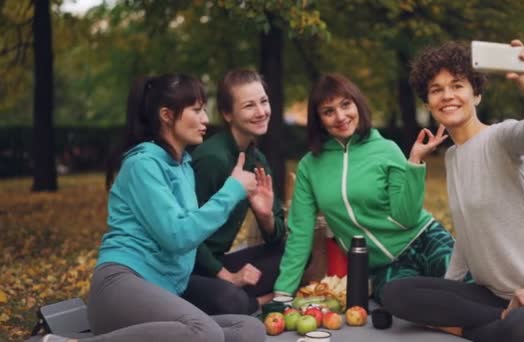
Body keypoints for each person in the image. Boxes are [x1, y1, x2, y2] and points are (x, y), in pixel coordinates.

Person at [381, 40, 524, 342]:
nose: (447, 95)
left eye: (457, 85)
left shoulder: (501, 138)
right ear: (428, 104)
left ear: (476, 94)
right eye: (436, 89)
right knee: (394, 292)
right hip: (491, 296)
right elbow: (466, 232)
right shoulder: (452, 157)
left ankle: (469, 329)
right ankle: (498, 319)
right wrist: (448, 290)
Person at [43, 74, 265, 342]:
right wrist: (232, 190)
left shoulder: (182, 166)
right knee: (204, 333)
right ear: (166, 115)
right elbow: (178, 235)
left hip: (165, 289)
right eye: (197, 110)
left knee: (250, 329)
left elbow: (191, 229)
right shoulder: (142, 165)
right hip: (120, 287)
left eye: (205, 109)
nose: (206, 119)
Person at [273, 73, 456, 303]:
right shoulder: (309, 167)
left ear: (357, 104)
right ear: (319, 119)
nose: (340, 116)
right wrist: (283, 292)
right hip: (380, 265)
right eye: (328, 111)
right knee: (404, 301)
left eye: (345, 104)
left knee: (465, 285)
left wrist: (415, 162)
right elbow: (300, 232)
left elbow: (407, 217)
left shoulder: (387, 149)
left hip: (424, 239)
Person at [189, 69, 286, 315]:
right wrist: (229, 277)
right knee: (229, 300)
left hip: (218, 262)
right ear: (227, 114)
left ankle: (239, 298)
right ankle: (259, 301)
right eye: (249, 106)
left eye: (263, 101)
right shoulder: (212, 159)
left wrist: (266, 218)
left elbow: (276, 238)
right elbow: (185, 235)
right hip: (189, 268)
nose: (261, 112)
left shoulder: (258, 160)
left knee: (293, 252)